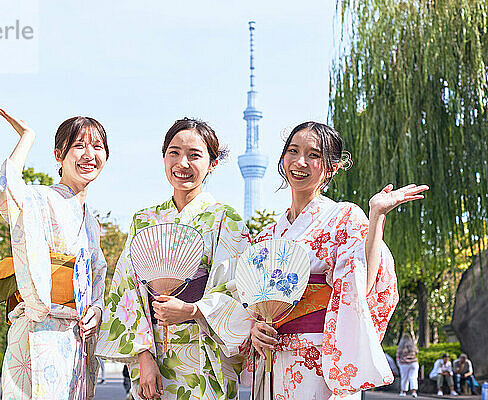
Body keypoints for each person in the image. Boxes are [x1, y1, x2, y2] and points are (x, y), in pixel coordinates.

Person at [247, 122, 428, 399]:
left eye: (314, 155)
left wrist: (376, 216)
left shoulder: (343, 218)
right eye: (293, 151)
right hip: (273, 357)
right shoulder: (267, 235)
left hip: (321, 356)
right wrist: (255, 328)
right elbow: (253, 303)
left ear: (332, 167)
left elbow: (361, 287)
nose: (300, 161)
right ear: (283, 159)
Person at [96, 118, 251, 400]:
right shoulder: (144, 220)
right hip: (153, 350)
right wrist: (143, 358)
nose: (182, 163)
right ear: (164, 157)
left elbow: (239, 288)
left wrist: (192, 310)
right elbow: (127, 290)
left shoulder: (226, 218)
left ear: (212, 163)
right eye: (174, 153)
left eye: (195, 155)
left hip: (206, 352)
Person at [0, 107, 108, 400]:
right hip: (39, 329)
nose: (89, 154)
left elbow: (98, 278)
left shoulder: (91, 220)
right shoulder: (41, 198)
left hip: (75, 336)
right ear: (59, 155)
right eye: (78, 146)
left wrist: (96, 309)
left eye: (97, 146)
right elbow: (7, 191)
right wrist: (27, 137)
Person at [396, 333, 419, 397]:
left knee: (404, 378)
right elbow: (417, 351)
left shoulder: (401, 346)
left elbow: (397, 355)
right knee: (413, 377)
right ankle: (414, 392)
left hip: (404, 363)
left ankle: (403, 392)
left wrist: (398, 363)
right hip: (414, 362)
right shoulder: (413, 345)